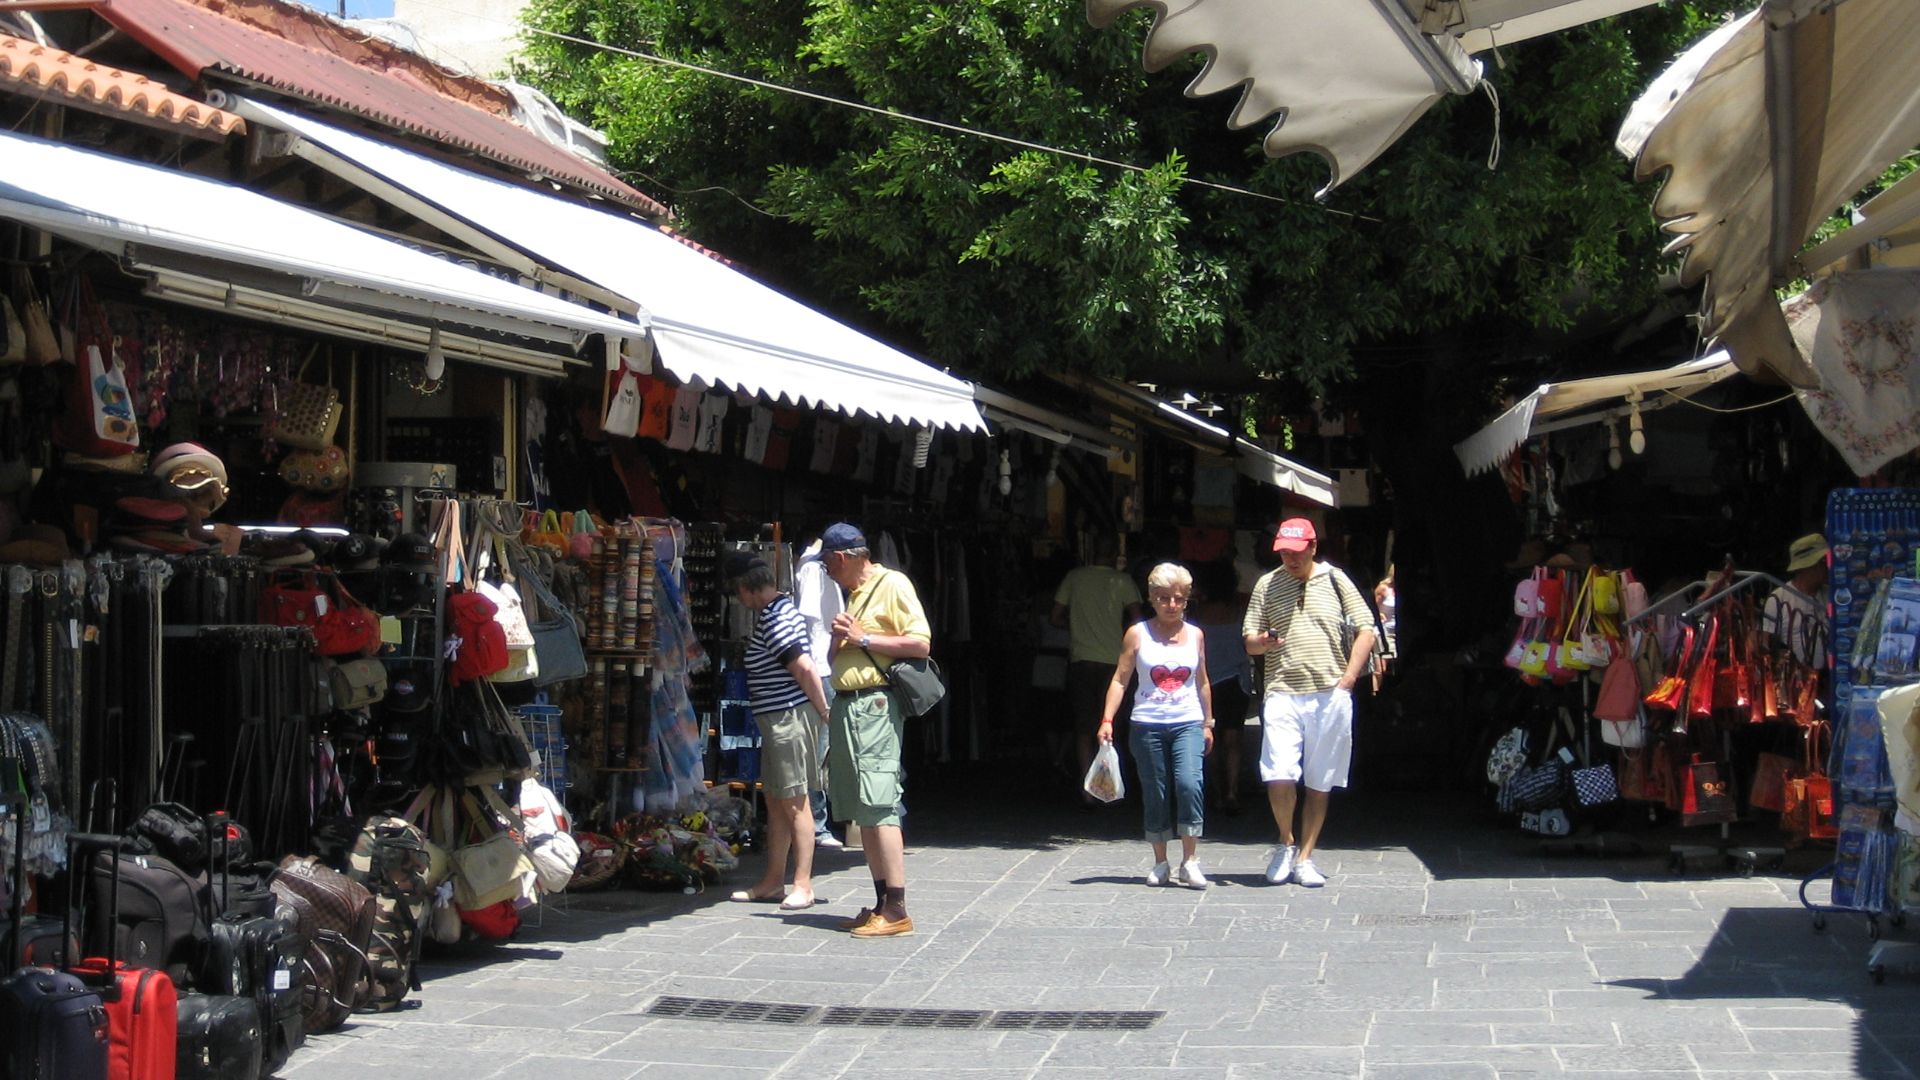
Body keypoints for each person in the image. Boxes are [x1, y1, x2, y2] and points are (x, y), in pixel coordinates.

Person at [1243, 517, 1375, 889]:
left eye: (1297, 551)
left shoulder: (1335, 580)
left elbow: (1366, 628)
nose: (1291, 558)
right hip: (1282, 690)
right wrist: (1263, 642)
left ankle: (1305, 857)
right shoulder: (1267, 583)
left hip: (1329, 693)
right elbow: (1249, 640)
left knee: (1320, 780)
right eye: (1284, 551)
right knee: (1279, 773)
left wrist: (1348, 679)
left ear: (1313, 547)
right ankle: (1286, 842)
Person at [822, 521, 930, 938]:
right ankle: (883, 902)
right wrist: (841, 640)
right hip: (849, 705)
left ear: (843, 557)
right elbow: (840, 654)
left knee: (880, 801)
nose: (827, 572)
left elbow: (920, 643)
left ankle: (897, 908)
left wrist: (864, 638)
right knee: (863, 807)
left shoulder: (893, 584)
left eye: (829, 563)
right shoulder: (854, 593)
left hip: (874, 707)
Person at [725, 554, 833, 909]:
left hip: (789, 719)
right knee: (776, 801)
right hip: (777, 721)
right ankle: (773, 881)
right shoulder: (775, 613)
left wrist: (824, 712)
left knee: (795, 802)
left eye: (736, 591)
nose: (737, 598)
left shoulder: (777, 618)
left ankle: (803, 884)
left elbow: (804, 667)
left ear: (746, 587)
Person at [1101, 562, 1213, 887]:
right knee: (1156, 790)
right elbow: (1121, 679)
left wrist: (1208, 721)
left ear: (1187, 599)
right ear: (1151, 598)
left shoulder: (1196, 635)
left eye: (1179, 598)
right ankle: (1161, 861)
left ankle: (1190, 860)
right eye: (1164, 598)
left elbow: (1203, 681)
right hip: (1146, 723)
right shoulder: (1137, 634)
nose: (1172, 605)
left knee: (1190, 783)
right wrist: (1107, 718)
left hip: (1187, 721)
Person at [1054, 535, 1145, 805]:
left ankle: (1087, 790)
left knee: (1084, 727)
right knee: (1112, 725)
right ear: (1115, 554)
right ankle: (1111, 784)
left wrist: (1077, 628)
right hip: (1114, 662)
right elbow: (1138, 619)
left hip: (1081, 659)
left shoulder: (1074, 577)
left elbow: (1055, 617)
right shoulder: (1123, 581)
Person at [792, 536, 846, 850]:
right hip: (821, 666)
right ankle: (818, 823)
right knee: (820, 747)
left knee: (821, 747)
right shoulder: (815, 568)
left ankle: (820, 821)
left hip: (824, 664)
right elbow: (810, 618)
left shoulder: (811, 564)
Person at [1193, 561, 1250, 815]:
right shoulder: (1240, 610)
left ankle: (1217, 793)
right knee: (1233, 738)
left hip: (1206, 681)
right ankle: (1233, 791)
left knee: (1210, 738)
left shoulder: (1196, 613)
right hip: (1236, 680)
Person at [1762, 533, 1829, 669]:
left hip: (1830, 675)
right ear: (1809, 566)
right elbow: (1767, 645)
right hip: (1796, 675)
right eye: (1824, 562)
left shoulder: (1831, 595)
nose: (1828, 567)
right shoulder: (1779, 599)